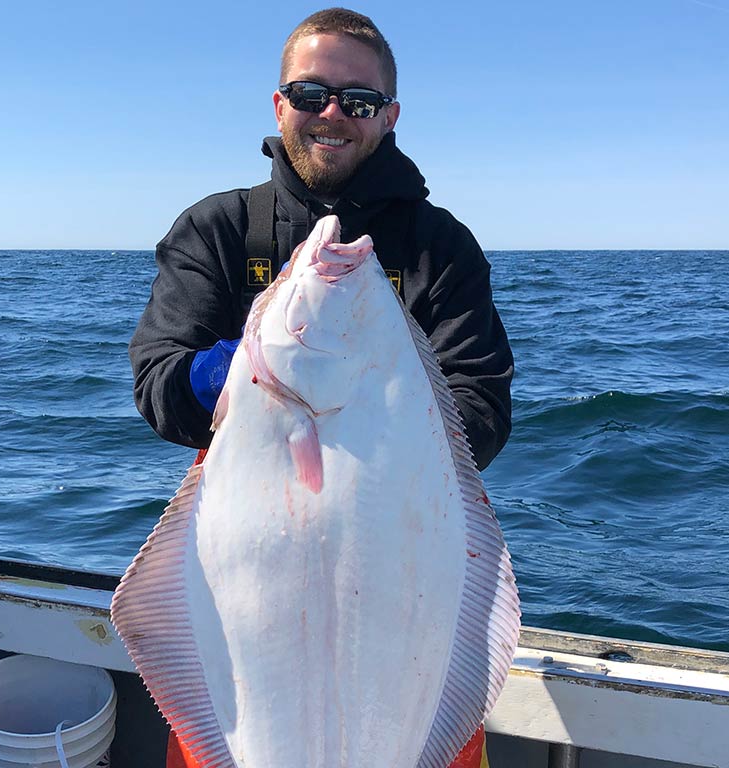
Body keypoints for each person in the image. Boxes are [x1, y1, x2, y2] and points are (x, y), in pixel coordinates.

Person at [131, 8, 512, 767]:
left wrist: (391, 400)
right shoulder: (218, 228)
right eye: (311, 94)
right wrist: (231, 373)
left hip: (399, 574)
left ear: (389, 116)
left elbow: (484, 406)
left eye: (358, 101)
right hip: (249, 585)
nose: (332, 114)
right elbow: (159, 384)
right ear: (280, 105)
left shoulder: (442, 247)